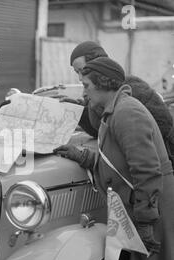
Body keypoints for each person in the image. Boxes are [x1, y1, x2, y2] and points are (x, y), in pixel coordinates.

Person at [54, 57, 174, 260]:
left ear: (103, 83)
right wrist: (85, 157)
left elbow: (147, 170)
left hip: (153, 203)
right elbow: (119, 160)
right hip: (144, 202)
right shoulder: (115, 110)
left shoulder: (127, 113)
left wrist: (145, 221)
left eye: (87, 85)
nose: (85, 92)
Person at [67, 41, 174, 169]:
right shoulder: (97, 95)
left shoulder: (130, 90)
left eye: (81, 70)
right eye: (76, 72)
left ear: (98, 62)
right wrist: (78, 112)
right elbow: (100, 131)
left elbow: (154, 133)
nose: (79, 77)